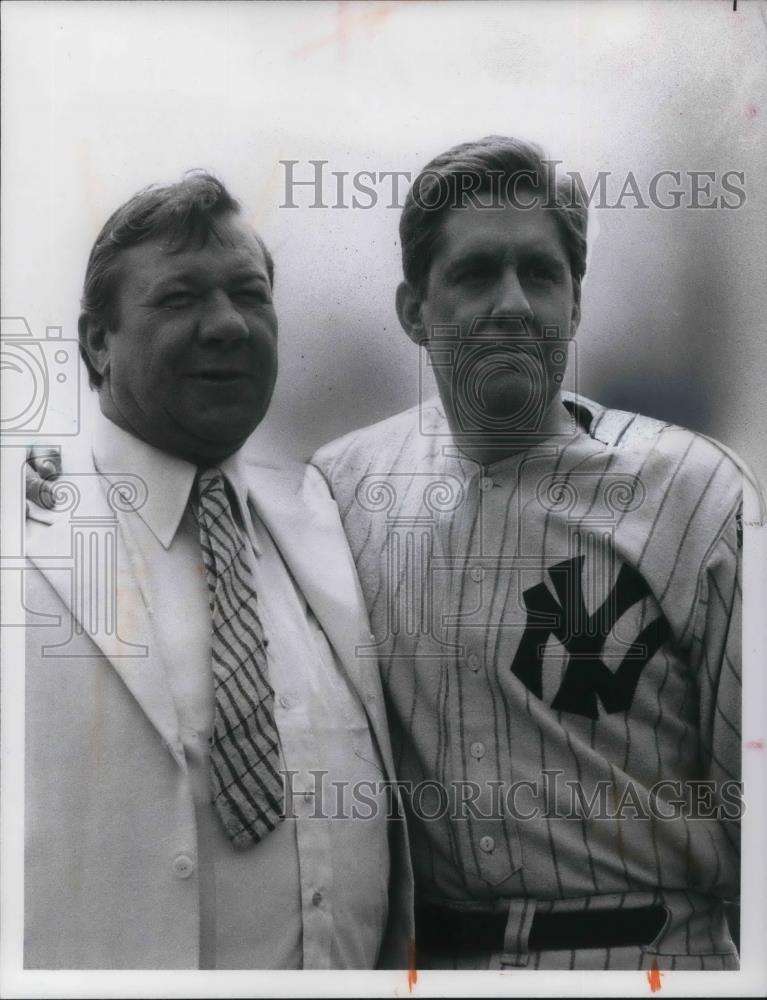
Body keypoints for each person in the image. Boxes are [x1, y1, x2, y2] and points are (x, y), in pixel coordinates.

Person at [311, 136, 758, 970]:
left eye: (540, 274)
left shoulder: (697, 495)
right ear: (415, 310)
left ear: (574, 303)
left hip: (648, 956)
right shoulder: (339, 493)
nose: (512, 303)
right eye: (476, 274)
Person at [23, 173, 412, 969]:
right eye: (179, 299)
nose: (228, 325)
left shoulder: (326, 520)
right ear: (97, 341)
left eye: (249, 293)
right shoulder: (26, 536)